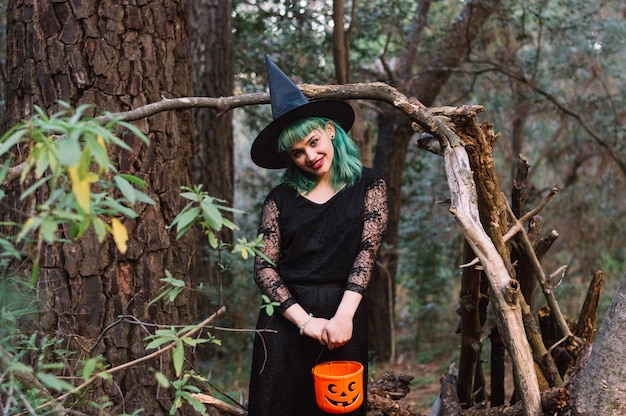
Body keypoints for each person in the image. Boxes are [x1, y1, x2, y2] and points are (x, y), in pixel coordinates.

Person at [247, 55, 389, 416]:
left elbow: (366, 254)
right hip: (285, 322)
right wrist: (306, 322)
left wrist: (342, 319)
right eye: (297, 152)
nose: (310, 156)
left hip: (345, 316)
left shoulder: (369, 184)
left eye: (313, 142)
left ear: (329, 129)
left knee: (338, 408)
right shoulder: (280, 198)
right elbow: (264, 269)